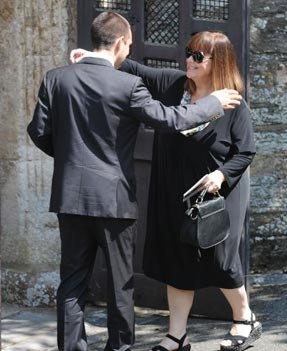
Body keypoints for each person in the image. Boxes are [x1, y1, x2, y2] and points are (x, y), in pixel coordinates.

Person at [27, 12, 242, 351]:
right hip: (114, 199)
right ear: (120, 43)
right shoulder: (127, 86)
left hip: (69, 198)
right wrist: (213, 104)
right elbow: (169, 119)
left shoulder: (55, 78)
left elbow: (38, 132)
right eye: (128, 44)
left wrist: (69, 158)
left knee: (71, 284)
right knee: (119, 285)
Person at [73, 31, 259, 351]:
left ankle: (244, 319)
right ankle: (177, 335)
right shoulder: (173, 84)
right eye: (189, 53)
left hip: (219, 192)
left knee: (222, 260)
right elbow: (132, 68)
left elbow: (245, 152)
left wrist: (221, 175)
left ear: (219, 62)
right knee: (177, 257)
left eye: (198, 56)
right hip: (176, 188)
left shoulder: (232, 102)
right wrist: (93, 56)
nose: (189, 60)